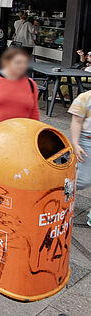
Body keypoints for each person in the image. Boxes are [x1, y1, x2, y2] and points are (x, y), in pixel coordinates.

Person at [0, 47, 40, 144]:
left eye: (25, 63)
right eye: (18, 62)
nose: (22, 66)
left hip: (19, 133)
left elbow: (34, 111)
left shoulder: (31, 84)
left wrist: (37, 131)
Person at [68, 89, 91, 227]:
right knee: (83, 180)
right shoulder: (86, 98)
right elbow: (76, 121)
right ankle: (58, 195)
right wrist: (75, 144)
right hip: (87, 141)